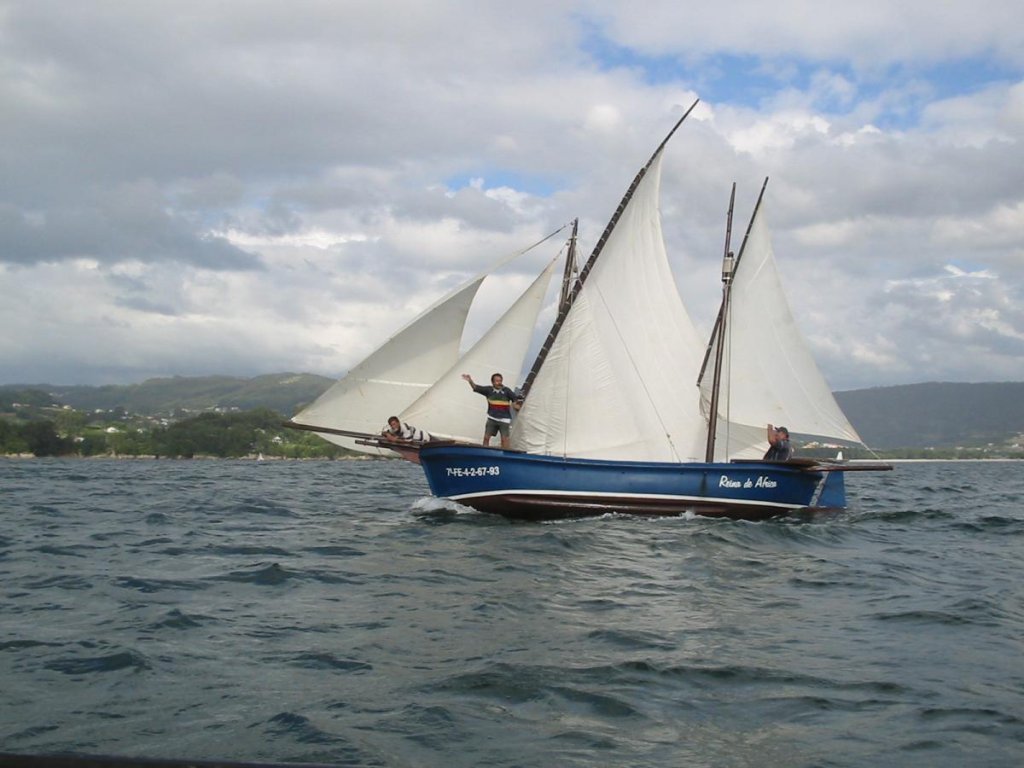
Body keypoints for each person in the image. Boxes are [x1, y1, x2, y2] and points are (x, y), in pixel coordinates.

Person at [461, 372, 522, 449]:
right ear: (492, 382)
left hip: (504, 419)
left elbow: (514, 400)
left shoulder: (507, 391)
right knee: (486, 437)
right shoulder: (488, 390)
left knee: (504, 439)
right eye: (497, 381)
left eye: (500, 381)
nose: (499, 383)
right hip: (492, 418)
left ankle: (505, 453)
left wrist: (516, 407)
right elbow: (475, 387)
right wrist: (470, 380)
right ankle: (485, 452)